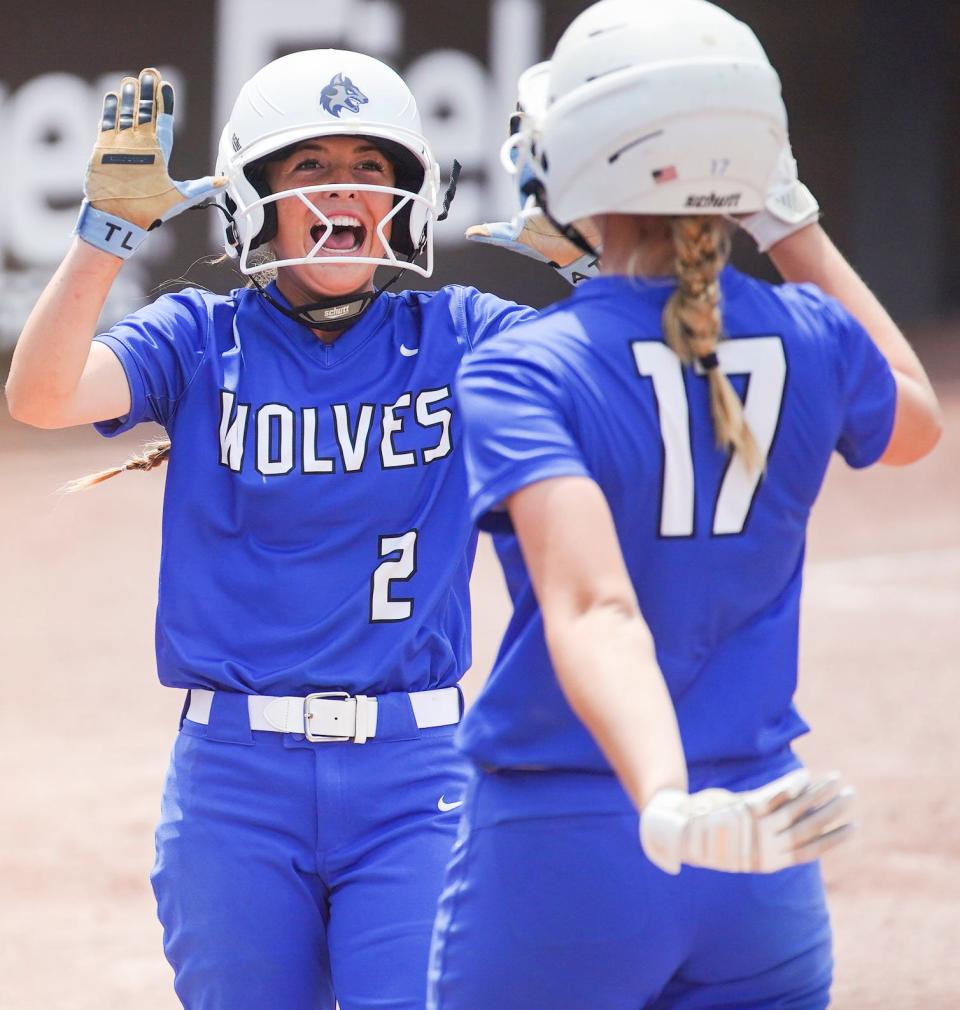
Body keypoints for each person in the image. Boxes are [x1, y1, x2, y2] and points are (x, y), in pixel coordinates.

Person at [4, 48, 563, 1010]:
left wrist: (598, 266)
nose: (344, 187)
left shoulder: (463, 332)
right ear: (253, 194)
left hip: (413, 773)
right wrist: (103, 238)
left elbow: (628, 380)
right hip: (235, 780)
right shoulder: (199, 336)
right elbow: (42, 396)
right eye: (310, 165)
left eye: (371, 166)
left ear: (409, 199)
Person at [426, 3, 943, 1009]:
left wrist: (666, 799)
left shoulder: (526, 368)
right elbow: (915, 413)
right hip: (764, 845)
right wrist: (790, 225)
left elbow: (596, 608)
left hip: (576, 836)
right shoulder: (810, 334)